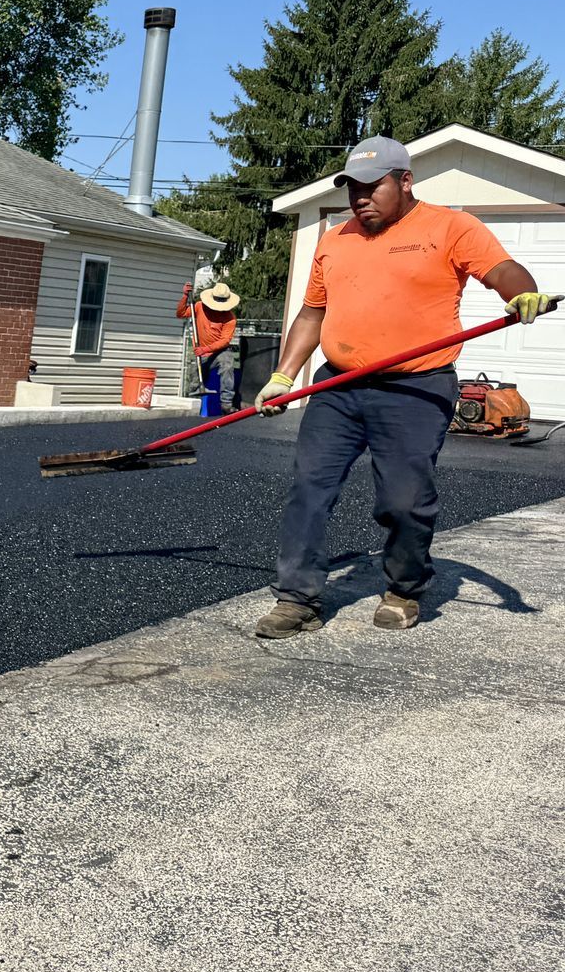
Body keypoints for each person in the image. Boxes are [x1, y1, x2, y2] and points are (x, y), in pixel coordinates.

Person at [252, 135, 557, 638]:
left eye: (373, 187)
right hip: (340, 385)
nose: (360, 198)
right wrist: (284, 375)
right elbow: (313, 311)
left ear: (405, 180)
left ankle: (403, 588)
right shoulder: (335, 239)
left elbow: (501, 269)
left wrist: (522, 294)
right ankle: (297, 597)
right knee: (309, 488)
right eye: (352, 188)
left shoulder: (450, 227)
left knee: (403, 500)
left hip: (417, 388)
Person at [178, 278, 240, 411]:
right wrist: (184, 296)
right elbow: (181, 313)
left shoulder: (230, 318)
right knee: (195, 378)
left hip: (219, 352)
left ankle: (226, 403)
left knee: (227, 363)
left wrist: (206, 349)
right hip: (201, 352)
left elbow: (225, 341)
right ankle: (191, 405)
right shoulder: (200, 307)